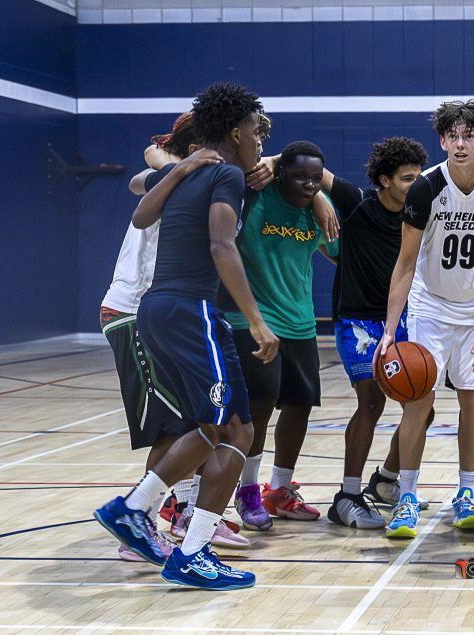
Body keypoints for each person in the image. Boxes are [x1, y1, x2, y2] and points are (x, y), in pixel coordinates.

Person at [93, 82, 277, 590]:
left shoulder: (191, 173)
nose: (260, 144)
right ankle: (142, 514)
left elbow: (139, 213)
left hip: (159, 309)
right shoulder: (223, 175)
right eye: (258, 134)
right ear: (237, 132)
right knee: (219, 427)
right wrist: (256, 320)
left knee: (232, 429)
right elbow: (222, 246)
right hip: (192, 309)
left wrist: (174, 169)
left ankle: (179, 539)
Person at [374, 99, 474, 538]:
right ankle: (406, 497)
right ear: (442, 141)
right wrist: (388, 330)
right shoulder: (425, 189)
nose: (460, 144)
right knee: (419, 400)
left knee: (472, 398)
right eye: (452, 136)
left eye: (468, 136)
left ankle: (466, 493)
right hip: (430, 306)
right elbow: (405, 263)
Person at [319, 136, 431, 529]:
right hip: (357, 320)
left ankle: (385, 481)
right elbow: (310, 166)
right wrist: (317, 195)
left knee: (423, 407)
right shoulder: (356, 205)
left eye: (418, 177)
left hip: (400, 317)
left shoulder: (422, 211)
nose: (415, 185)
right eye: (406, 178)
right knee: (370, 403)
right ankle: (347, 497)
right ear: (384, 180)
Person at [226, 140, 338, 531]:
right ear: (280, 174)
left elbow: (339, 251)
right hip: (254, 318)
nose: (309, 184)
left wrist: (322, 197)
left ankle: (280, 488)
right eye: (300, 176)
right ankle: (247, 490)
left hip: (301, 321)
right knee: (260, 404)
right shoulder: (255, 194)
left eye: (315, 178)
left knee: (300, 404)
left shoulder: (320, 208)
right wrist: (271, 163)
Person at [100, 112, 197, 562]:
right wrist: (168, 160)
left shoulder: (196, 174)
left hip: (159, 313)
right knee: (171, 426)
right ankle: (136, 529)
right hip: (133, 311)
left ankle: (170, 511)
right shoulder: (172, 175)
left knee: (189, 421)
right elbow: (141, 176)